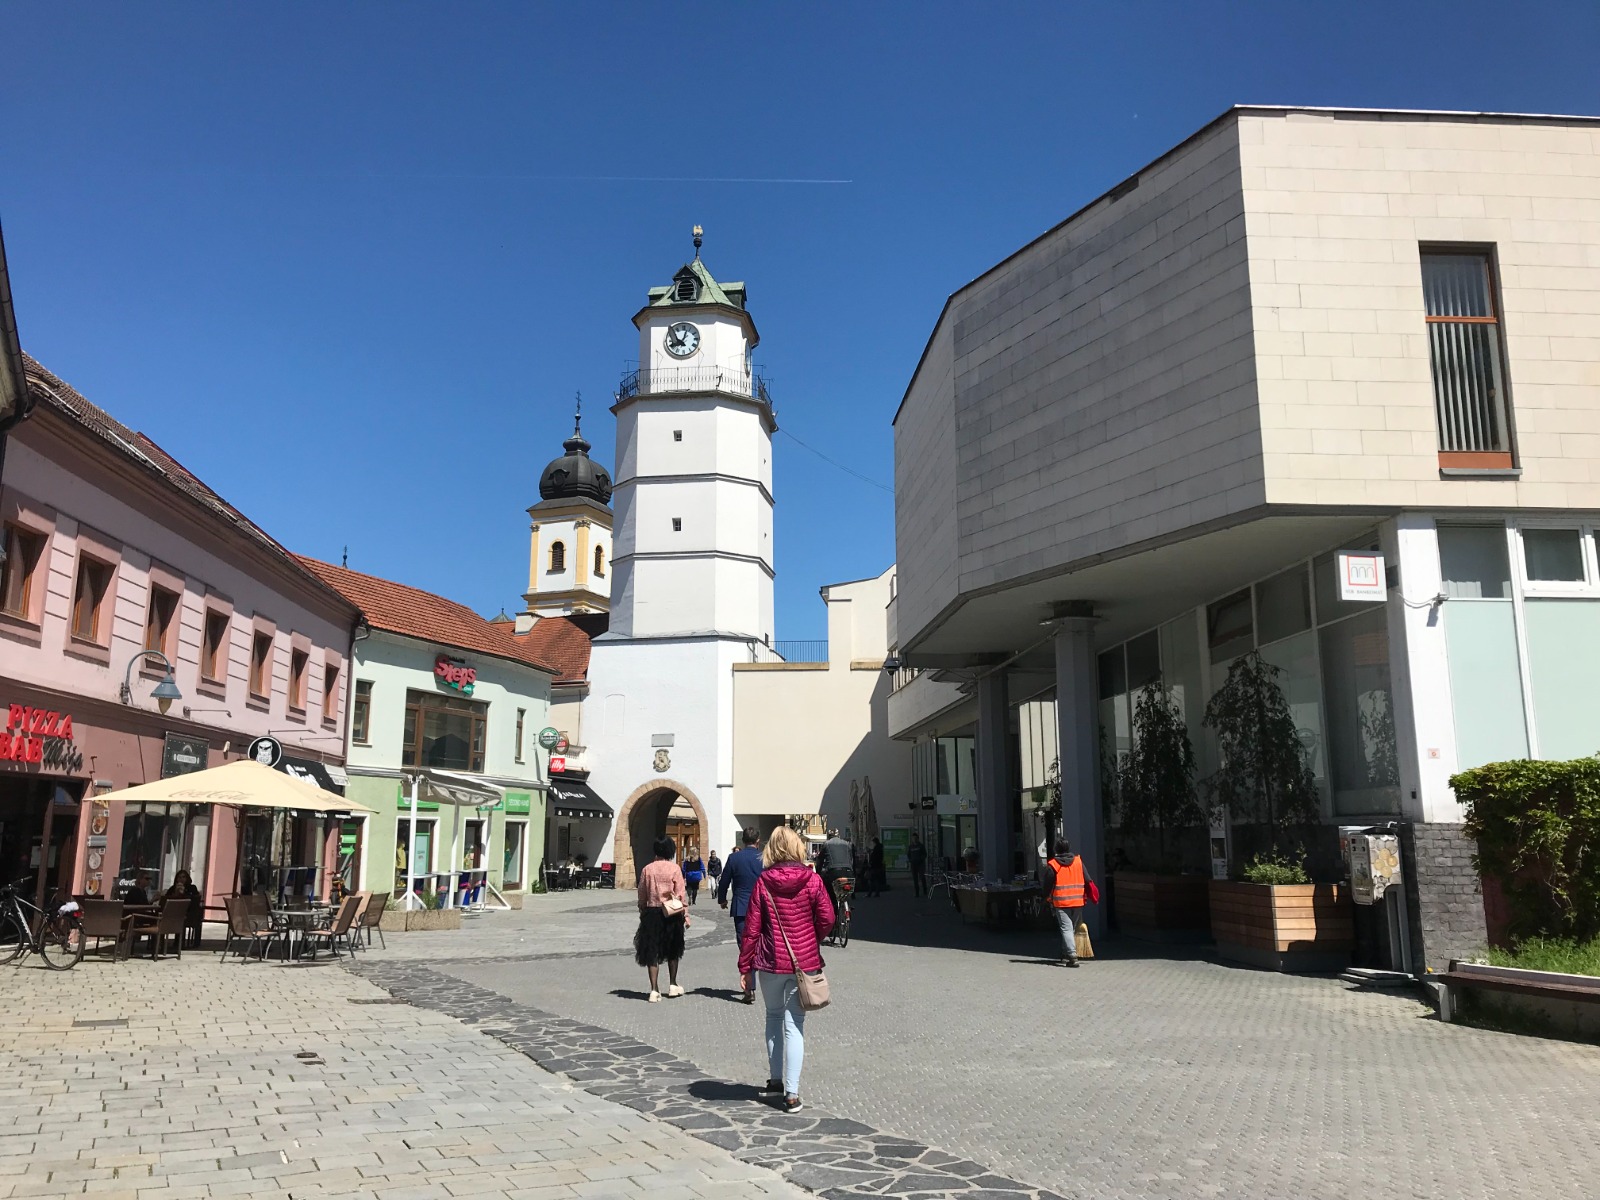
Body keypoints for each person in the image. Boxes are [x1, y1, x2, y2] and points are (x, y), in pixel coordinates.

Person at [738, 826, 833, 1114]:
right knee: (795, 1025)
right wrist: (811, 938)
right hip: (803, 963)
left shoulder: (763, 882)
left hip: (770, 963)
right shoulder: (813, 880)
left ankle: (776, 1082)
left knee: (773, 1018)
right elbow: (828, 917)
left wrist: (745, 966)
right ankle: (792, 1094)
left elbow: (752, 928)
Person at [634, 836, 689, 1001]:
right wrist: (685, 915)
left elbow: (642, 892)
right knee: (673, 948)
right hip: (671, 914)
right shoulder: (674, 868)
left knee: (651, 949)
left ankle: (654, 990)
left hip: (651, 913)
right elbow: (680, 894)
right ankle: (672, 984)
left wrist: (642, 908)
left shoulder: (647, 869)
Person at [716, 827, 765, 1002]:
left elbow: (724, 881)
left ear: (743, 841)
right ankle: (762, 984)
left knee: (745, 946)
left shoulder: (734, 858)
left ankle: (749, 988)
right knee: (762, 944)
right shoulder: (763, 858)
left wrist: (722, 899)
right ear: (757, 840)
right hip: (762, 907)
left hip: (742, 907)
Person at [1043, 837, 1092, 967]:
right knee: (1072, 929)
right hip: (1077, 900)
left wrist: (1045, 897)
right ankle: (1065, 954)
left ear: (1056, 849)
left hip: (1061, 902)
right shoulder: (1078, 862)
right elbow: (1088, 879)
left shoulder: (1053, 864)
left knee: (1066, 929)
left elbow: (1047, 885)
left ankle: (1071, 955)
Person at [164, 870, 204, 948]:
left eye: (183, 877)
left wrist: (184, 894)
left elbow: (194, 901)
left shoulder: (192, 888)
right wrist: (176, 893)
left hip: (189, 913)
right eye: (179, 877)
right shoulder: (173, 888)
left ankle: (180, 943)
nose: (181, 879)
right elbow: (166, 899)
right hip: (174, 912)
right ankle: (162, 944)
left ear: (187, 878)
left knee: (183, 918)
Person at [817, 828, 854, 909]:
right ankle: (848, 905)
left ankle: (833, 906)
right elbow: (852, 859)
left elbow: (820, 861)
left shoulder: (826, 844)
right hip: (848, 871)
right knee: (846, 889)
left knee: (829, 889)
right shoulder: (847, 844)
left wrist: (818, 873)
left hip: (833, 872)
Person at [907, 834, 928, 898]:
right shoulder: (911, 846)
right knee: (915, 879)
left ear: (918, 838)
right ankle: (917, 892)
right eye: (913, 838)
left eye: (915, 838)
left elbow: (924, 854)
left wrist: (920, 859)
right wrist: (911, 860)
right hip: (913, 864)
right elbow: (908, 854)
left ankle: (925, 890)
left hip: (920, 864)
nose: (914, 839)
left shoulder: (921, 846)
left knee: (922, 877)